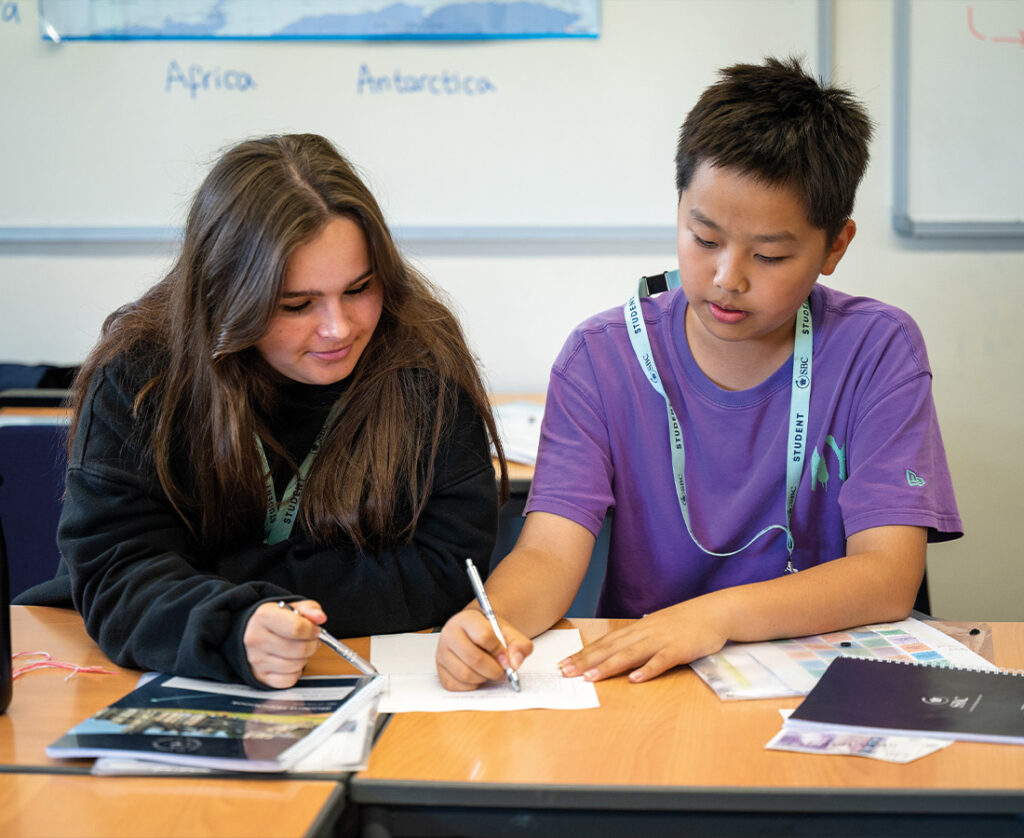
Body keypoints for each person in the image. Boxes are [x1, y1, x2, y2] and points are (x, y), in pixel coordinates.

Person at [436, 57, 962, 691]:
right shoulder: (601, 359)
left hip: (815, 679)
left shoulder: (876, 350)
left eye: (769, 255)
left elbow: (886, 575)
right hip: (648, 681)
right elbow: (548, 552)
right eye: (704, 238)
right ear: (680, 207)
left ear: (835, 247)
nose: (727, 278)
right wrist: (486, 623)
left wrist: (714, 617)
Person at [23, 133, 507, 688]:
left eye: (359, 289)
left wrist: (216, 581)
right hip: (127, 670)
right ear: (225, 294)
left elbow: (445, 568)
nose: (339, 328)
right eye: (296, 305)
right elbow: (117, 575)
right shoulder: (141, 375)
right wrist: (234, 624)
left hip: (371, 669)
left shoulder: (422, 364)